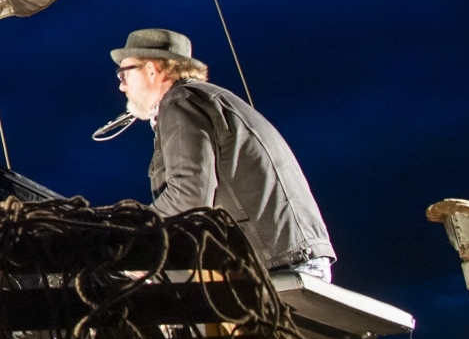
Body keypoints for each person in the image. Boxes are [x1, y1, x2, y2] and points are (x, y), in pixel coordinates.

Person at [109, 28, 336, 280]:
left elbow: (189, 197)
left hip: (272, 266)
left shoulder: (179, 100)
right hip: (291, 257)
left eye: (124, 74)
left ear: (151, 70)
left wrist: (133, 243)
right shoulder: (208, 99)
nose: (121, 86)